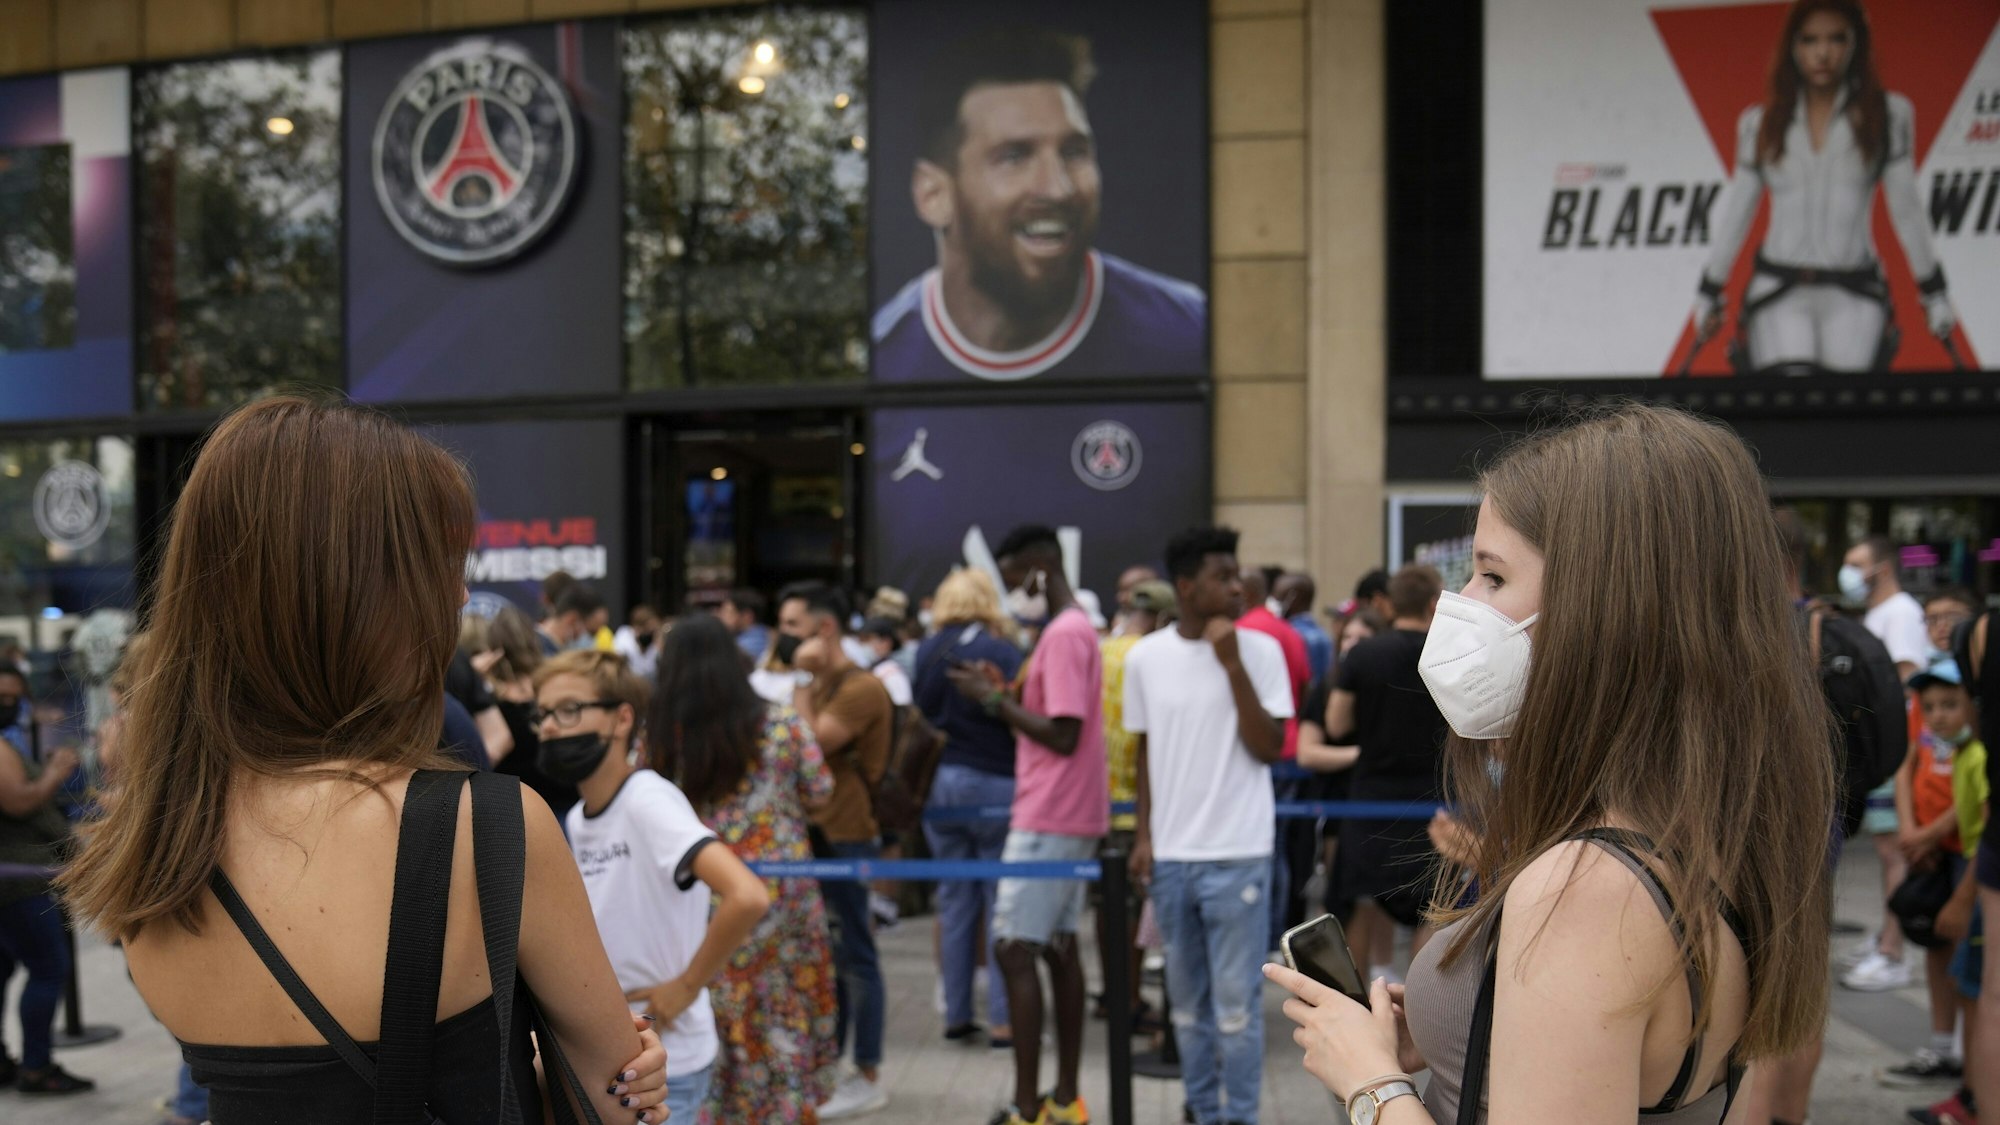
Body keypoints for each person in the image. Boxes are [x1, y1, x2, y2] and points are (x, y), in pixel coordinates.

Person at [59, 396, 668, 1123]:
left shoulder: (150, 852)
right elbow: (612, 1099)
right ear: (353, 595)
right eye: (436, 564)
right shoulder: (487, 829)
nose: (459, 594)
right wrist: (572, 1076)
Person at [1266, 404, 1834, 1124]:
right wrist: (1456, 1033)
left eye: (1492, 576)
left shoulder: (1589, 887)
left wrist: (1370, 1083)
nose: (1460, 603)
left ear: (1605, 608)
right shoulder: (1709, 831)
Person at [872, 28, 1205, 383]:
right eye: (1014, 156)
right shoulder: (883, 359)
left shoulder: (1190, 333)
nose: (1058, 189)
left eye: (1074, 152)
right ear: (934, 196)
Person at [534, 649, 771, 1125]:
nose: (550, 728)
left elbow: (747, 895)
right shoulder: (579, 818)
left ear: (622, 719)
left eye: (569, 710)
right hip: (619, 1055)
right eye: (542, 715)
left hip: (669, 1063)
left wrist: (685, 987)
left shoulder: (647, 799)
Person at [1125, 525, 1293, 1125]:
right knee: (1187, 1009)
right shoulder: (1145, 658)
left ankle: (1240, 1116)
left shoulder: (1261, 652)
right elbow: (1145, 753)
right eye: (1222, 578)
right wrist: (1144, 836)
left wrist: (1232, 665)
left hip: (1239, 853)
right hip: (1172, 860)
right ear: (1186, 587)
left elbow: (1269, 747)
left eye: (1236, 575)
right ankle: (1200, 1110)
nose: (1236, 587)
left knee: (1237, 1010)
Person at [1691, 0, 1959, 375]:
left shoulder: (1887, 116)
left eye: (1836, 39)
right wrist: (1710, 290)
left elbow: (1907, 211)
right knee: (1790, 398)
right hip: (1777, 289)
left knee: (1844, 406)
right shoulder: (1760, 123)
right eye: (1809, 40)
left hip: (1856, 292)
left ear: (1856, 44)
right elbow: (1739, 212)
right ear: (1792, 46)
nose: (1822, 53)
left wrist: (1934, 293)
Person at [650, 615, 841, 1125]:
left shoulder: (660, 738)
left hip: (704, 891)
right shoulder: (780, 724)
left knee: (712, 1007)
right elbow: (821, 792)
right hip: (783, 895)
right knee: (783, 1009)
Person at [946, 525, 1107, 1125]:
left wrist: (991, 701)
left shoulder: (1063, 634)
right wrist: (1003, 693)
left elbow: (1063, 733)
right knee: (1058, 949)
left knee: (1013, 948)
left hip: (1050, 811)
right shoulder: (1071, 630)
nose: (1012, 589)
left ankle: (1026, 1105)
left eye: (1014, 575)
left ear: (1039, 568)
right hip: (1069, 810)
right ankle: (1063, 1099)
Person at [779, 583, 895, 1119]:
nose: (785, 638)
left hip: (847, 834)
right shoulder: (826, 683)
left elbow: (808, 742)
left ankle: (867, 1072)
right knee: (832, 956)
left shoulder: (861, 688)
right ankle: (832, 1065)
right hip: (818, 834)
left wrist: (802, 682)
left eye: (794, 627)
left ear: (825, 630)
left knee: (858, 956)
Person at [914, 568, 1024, 1046]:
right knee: (1002, 903)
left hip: (941, 783)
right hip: (997, 780)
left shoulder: (927, 650)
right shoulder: (1002, 650)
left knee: (954, 902)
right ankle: (1003, 1018)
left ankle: (956, 1013)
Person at [1325, 564, 1450, 982]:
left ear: (1391, 604)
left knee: (1362, 902)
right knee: (1432, 908)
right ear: (1434, 603)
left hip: (1371, 798)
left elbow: (1336, 723)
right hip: (1434, 799)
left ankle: (1360, 1005)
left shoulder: (1364, 654)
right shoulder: (1450, 654)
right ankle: (1419, 1008)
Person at [1881, 655, 1985, 1104]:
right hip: (1935, 850)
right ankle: (1947, 1050)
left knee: (1971, 964)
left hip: (1966, 856)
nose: (1938, 715)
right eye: (1930, 707)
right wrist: (1912, 831)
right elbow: (1906, 766)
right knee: (1937, 944)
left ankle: (1974, 1079)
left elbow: (1977, 806)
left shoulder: (1976, 751)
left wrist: (1928, 833)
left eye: (1950, 704)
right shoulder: (1946, 743)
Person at [1844, 534, 1930, 993]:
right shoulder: (1881, 613)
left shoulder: (1900, 613)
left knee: (1894, 850)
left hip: (1894, 749)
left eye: (1857, 563)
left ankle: (1894, 951)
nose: (1850, 573)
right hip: (1882, 747)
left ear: (1883, 568)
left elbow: (1906, 684)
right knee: (1886, 847)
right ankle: (1886, 938)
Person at [0, 662, 89, 1095]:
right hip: (19, 883)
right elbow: (18, 801)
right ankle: (36, 1067)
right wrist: (55, 773)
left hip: (18, 879)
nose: (9, 705)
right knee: (49, 968)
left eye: (14, 697)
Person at [480, 604, 579, 819]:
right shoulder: (552, 684)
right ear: (531, 640)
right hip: (561, 798)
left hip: (511, 808)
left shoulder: (487, 694)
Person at [1276, 572, 1334, 684]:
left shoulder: (1295, 635)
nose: (1275, 602)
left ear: (1293, 598)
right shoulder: (1323, 635)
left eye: (1279, 597)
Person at [858, 617, 915, 706]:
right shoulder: (874, 668)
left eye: (869, 640)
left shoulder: (893, 675)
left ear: (886, 642)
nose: (866, 645)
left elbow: (903, 707)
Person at [613, 603, 666, 682]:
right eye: (647, 629)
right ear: (636, 628)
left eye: (653, 631)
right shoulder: (624, 636)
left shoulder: (656, 643)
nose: (650, 634)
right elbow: (617, 665)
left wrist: (659, 644)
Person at [718, 589, 771, 663]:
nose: (721, 617)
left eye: (728, 612)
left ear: (747, 616)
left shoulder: (749, 644)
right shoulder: (761, 633)